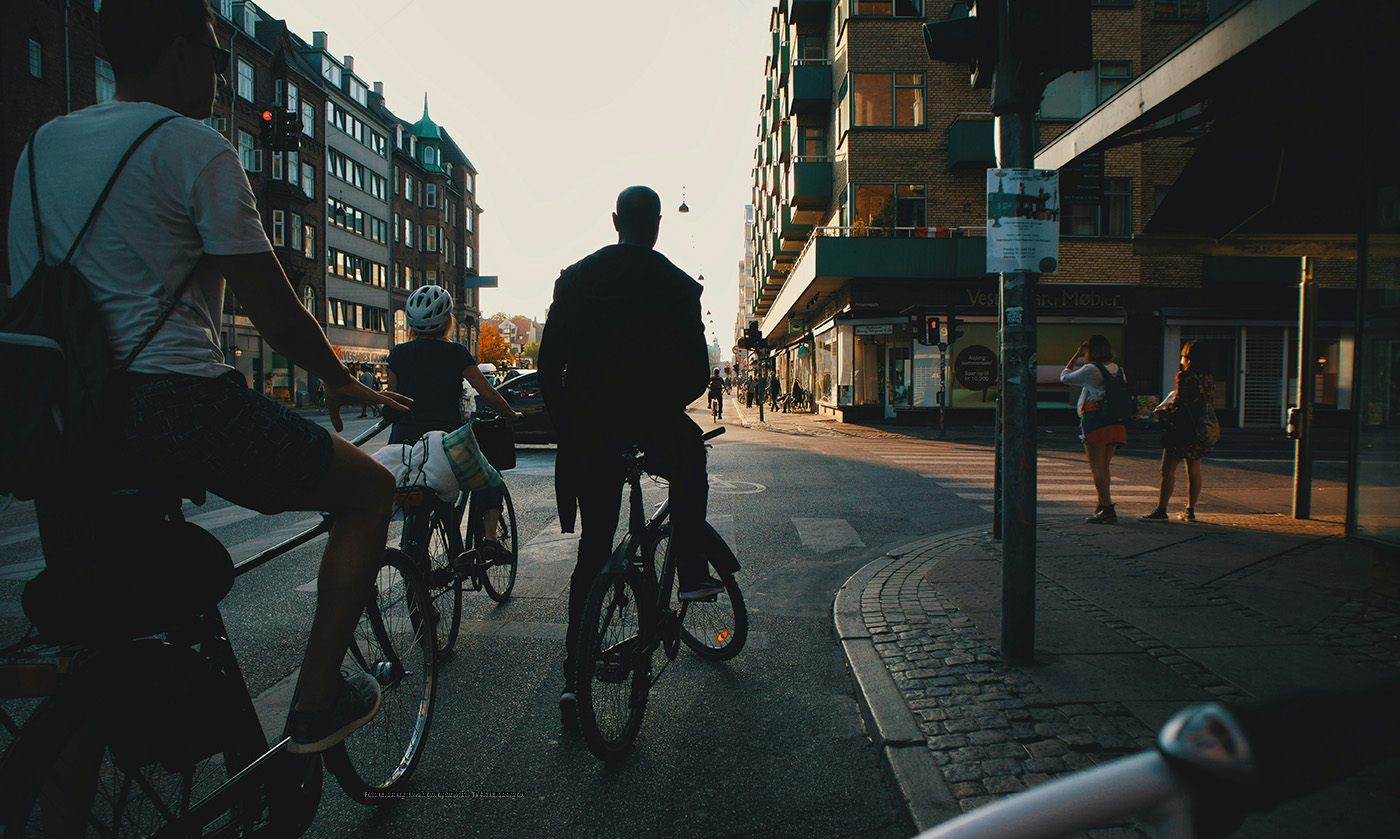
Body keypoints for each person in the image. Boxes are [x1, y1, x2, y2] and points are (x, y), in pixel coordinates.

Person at [7, 0, 412, 754]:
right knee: (370, 490)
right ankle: (316, 702)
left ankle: (56, 801)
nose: (222, 79)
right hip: (178, 404)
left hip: (64, 422)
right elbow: (277, 313)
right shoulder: (193, 146)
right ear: (179, 52)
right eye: (218, 58)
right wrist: (338, 378)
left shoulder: (40, 149)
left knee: (91, 638)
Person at [538, 185, 722, 729]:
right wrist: (661, 405)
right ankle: (691, 567)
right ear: (657, 225)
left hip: (591, 426)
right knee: (690, 461)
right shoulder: (678, 284)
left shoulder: (576, 279)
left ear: (616, 221)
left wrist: (569, 424)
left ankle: (573, 679)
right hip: (653, 419)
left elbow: (548, 366)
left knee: (594, 550)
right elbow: (698, 372)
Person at [386, 285, 522, 558]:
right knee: (491, 479)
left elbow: (393, 398)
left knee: (412, 492)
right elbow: (487, 393)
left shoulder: (398, 353)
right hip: (447, 442)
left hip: (404, 441)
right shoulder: (456, 353)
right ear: (448, 320)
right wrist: (510, 414)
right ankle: (490, 540)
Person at [1141, 341, 1217, 522]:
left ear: (1188, 358)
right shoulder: (1208, 377)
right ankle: (1190, 510)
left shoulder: (1185, 376)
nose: (1181, 359)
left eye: (1183, 356)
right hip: (1199, 428)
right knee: (1194, 471)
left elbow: (1180, 404)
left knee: (1167, 470)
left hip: (1181, 430)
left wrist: (1163, 411)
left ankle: (1161, 510)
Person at [1060, 335, 1127, 524]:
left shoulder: (1090, 369)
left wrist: (1076, 355)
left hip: (1096, 420)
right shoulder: (1118, 369)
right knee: (1104, 466)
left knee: (1096, 467)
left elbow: (1064, 377)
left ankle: (1107, 508)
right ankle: (1101, 504)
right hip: (1115, 421)